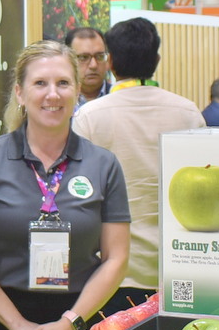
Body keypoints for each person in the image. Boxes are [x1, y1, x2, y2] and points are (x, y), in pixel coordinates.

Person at [0, 40, 130, 330]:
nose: (53, 94)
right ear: (20, 93)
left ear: (77, 91)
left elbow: (116, 257)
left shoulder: (104, 165)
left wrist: (70, 323)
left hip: (77, 323)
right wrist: (17, 324)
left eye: (63, 83)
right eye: (40, 83)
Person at [73, 17, 205, 310]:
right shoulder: (187, 113)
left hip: (111, 275)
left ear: (111, 62)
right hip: (177, 270)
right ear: (157, 59)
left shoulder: (89, 117)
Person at [64, 26, 111, 108]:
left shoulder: (120, 99)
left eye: (100, 56)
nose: (93, 65)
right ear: (68, 61)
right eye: (83, 57)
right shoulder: (59, 99)